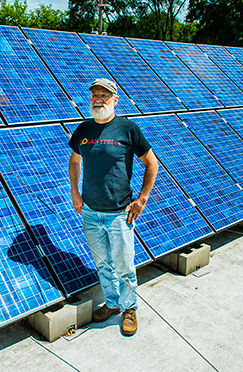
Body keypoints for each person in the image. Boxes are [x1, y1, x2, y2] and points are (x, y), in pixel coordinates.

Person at [68, 78, 158, 336]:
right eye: (95, 95)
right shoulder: (83, 130)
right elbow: (74, 162)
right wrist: (75, 192)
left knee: (124, 265)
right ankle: (112, 303)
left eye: (104, 96)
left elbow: (152, 164)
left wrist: (141, 199)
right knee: (102, 264)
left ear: (115, 100)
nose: (99, 99)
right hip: (91, 213)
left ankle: (130, 309)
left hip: (119, 214)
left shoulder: (128, 129)